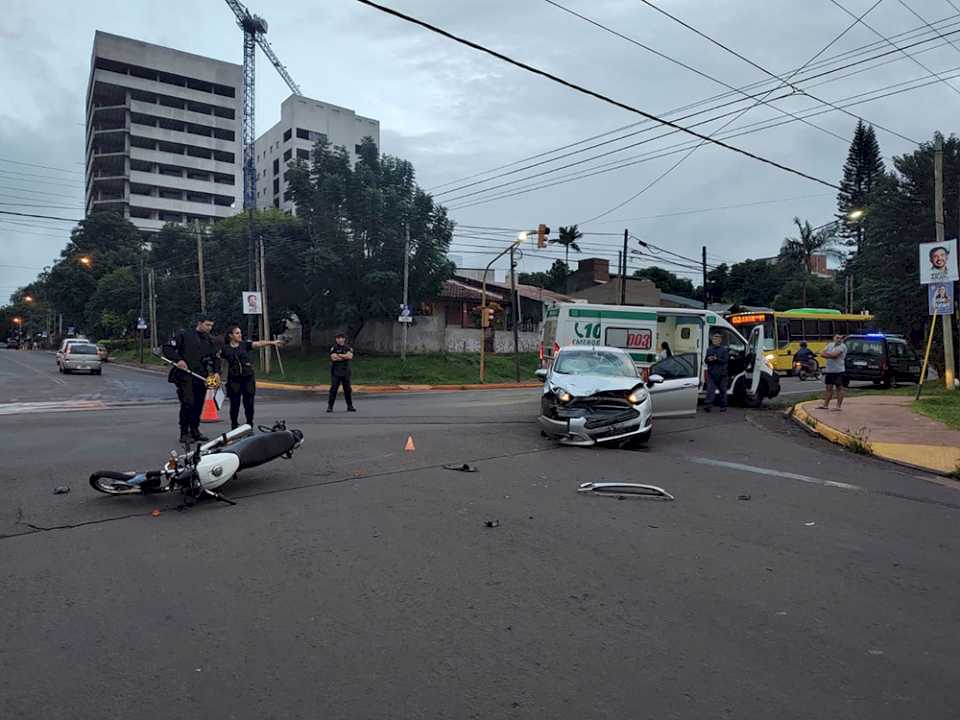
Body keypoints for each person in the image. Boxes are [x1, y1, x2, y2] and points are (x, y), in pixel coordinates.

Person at [164, 314, 220, 444]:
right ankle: (184, 432)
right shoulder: (184, 335)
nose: (209, 328)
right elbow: (167, 348)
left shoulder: (209, 340)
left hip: (201, 376)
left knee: (199, 404)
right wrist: (179, 360)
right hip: (185, 375)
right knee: (188, 403)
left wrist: (216, 372)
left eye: (211, 325)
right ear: (199, 323)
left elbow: (215, 358)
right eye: (207, 325)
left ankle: (195, 430)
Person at [220, 325, 282, 430]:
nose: (240, 335)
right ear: (231, 335)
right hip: (234, 379)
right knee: (234, 404)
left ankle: (249, 425)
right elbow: (218, 360)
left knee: (248, 403)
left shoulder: (244, 345)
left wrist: (272, 342)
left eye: (240, 333)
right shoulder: (225, 349)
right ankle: (234, 426)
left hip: (248, 378)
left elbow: (258, 344)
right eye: (237, 333)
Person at [818, 333, 848, 411]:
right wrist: (829, 355)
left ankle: (838, 406)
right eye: (837, 338)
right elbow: (821, 354)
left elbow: (834, 355)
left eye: (841, 338)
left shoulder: (843, 346)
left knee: (839, 388)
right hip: (829, 370)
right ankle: (825, 405)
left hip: (839, 371)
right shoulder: (830, 345)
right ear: (834, 338)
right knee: (828, 388)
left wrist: (827, 354)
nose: (839, 339)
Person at [328, 332, 356, 413]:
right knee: (333, 389)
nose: (340, 339)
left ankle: (350, 406)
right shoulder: (334, 348)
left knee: (347, 389)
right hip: (335, 372)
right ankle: (330, 407)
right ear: (336, 339)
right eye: (338, 338)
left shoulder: (348, 347)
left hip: (346, 371)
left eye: (341, 337)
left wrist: (339, 355)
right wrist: (344, 356)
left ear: (344, 339)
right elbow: (333, 358)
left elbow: (350, 356)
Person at [703, 332, 729, 412]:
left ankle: (723, 406)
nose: (715, 340)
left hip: (722, 374)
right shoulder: (709, 349)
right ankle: (708, 406)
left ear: (720, 340)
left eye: (717, 339)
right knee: (710, 390)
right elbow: (705, 360)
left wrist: (716, 359)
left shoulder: (724, 350)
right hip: (712, 373)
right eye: (714, 339)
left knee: (722, 391)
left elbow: (725, 360)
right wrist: (708, 359)